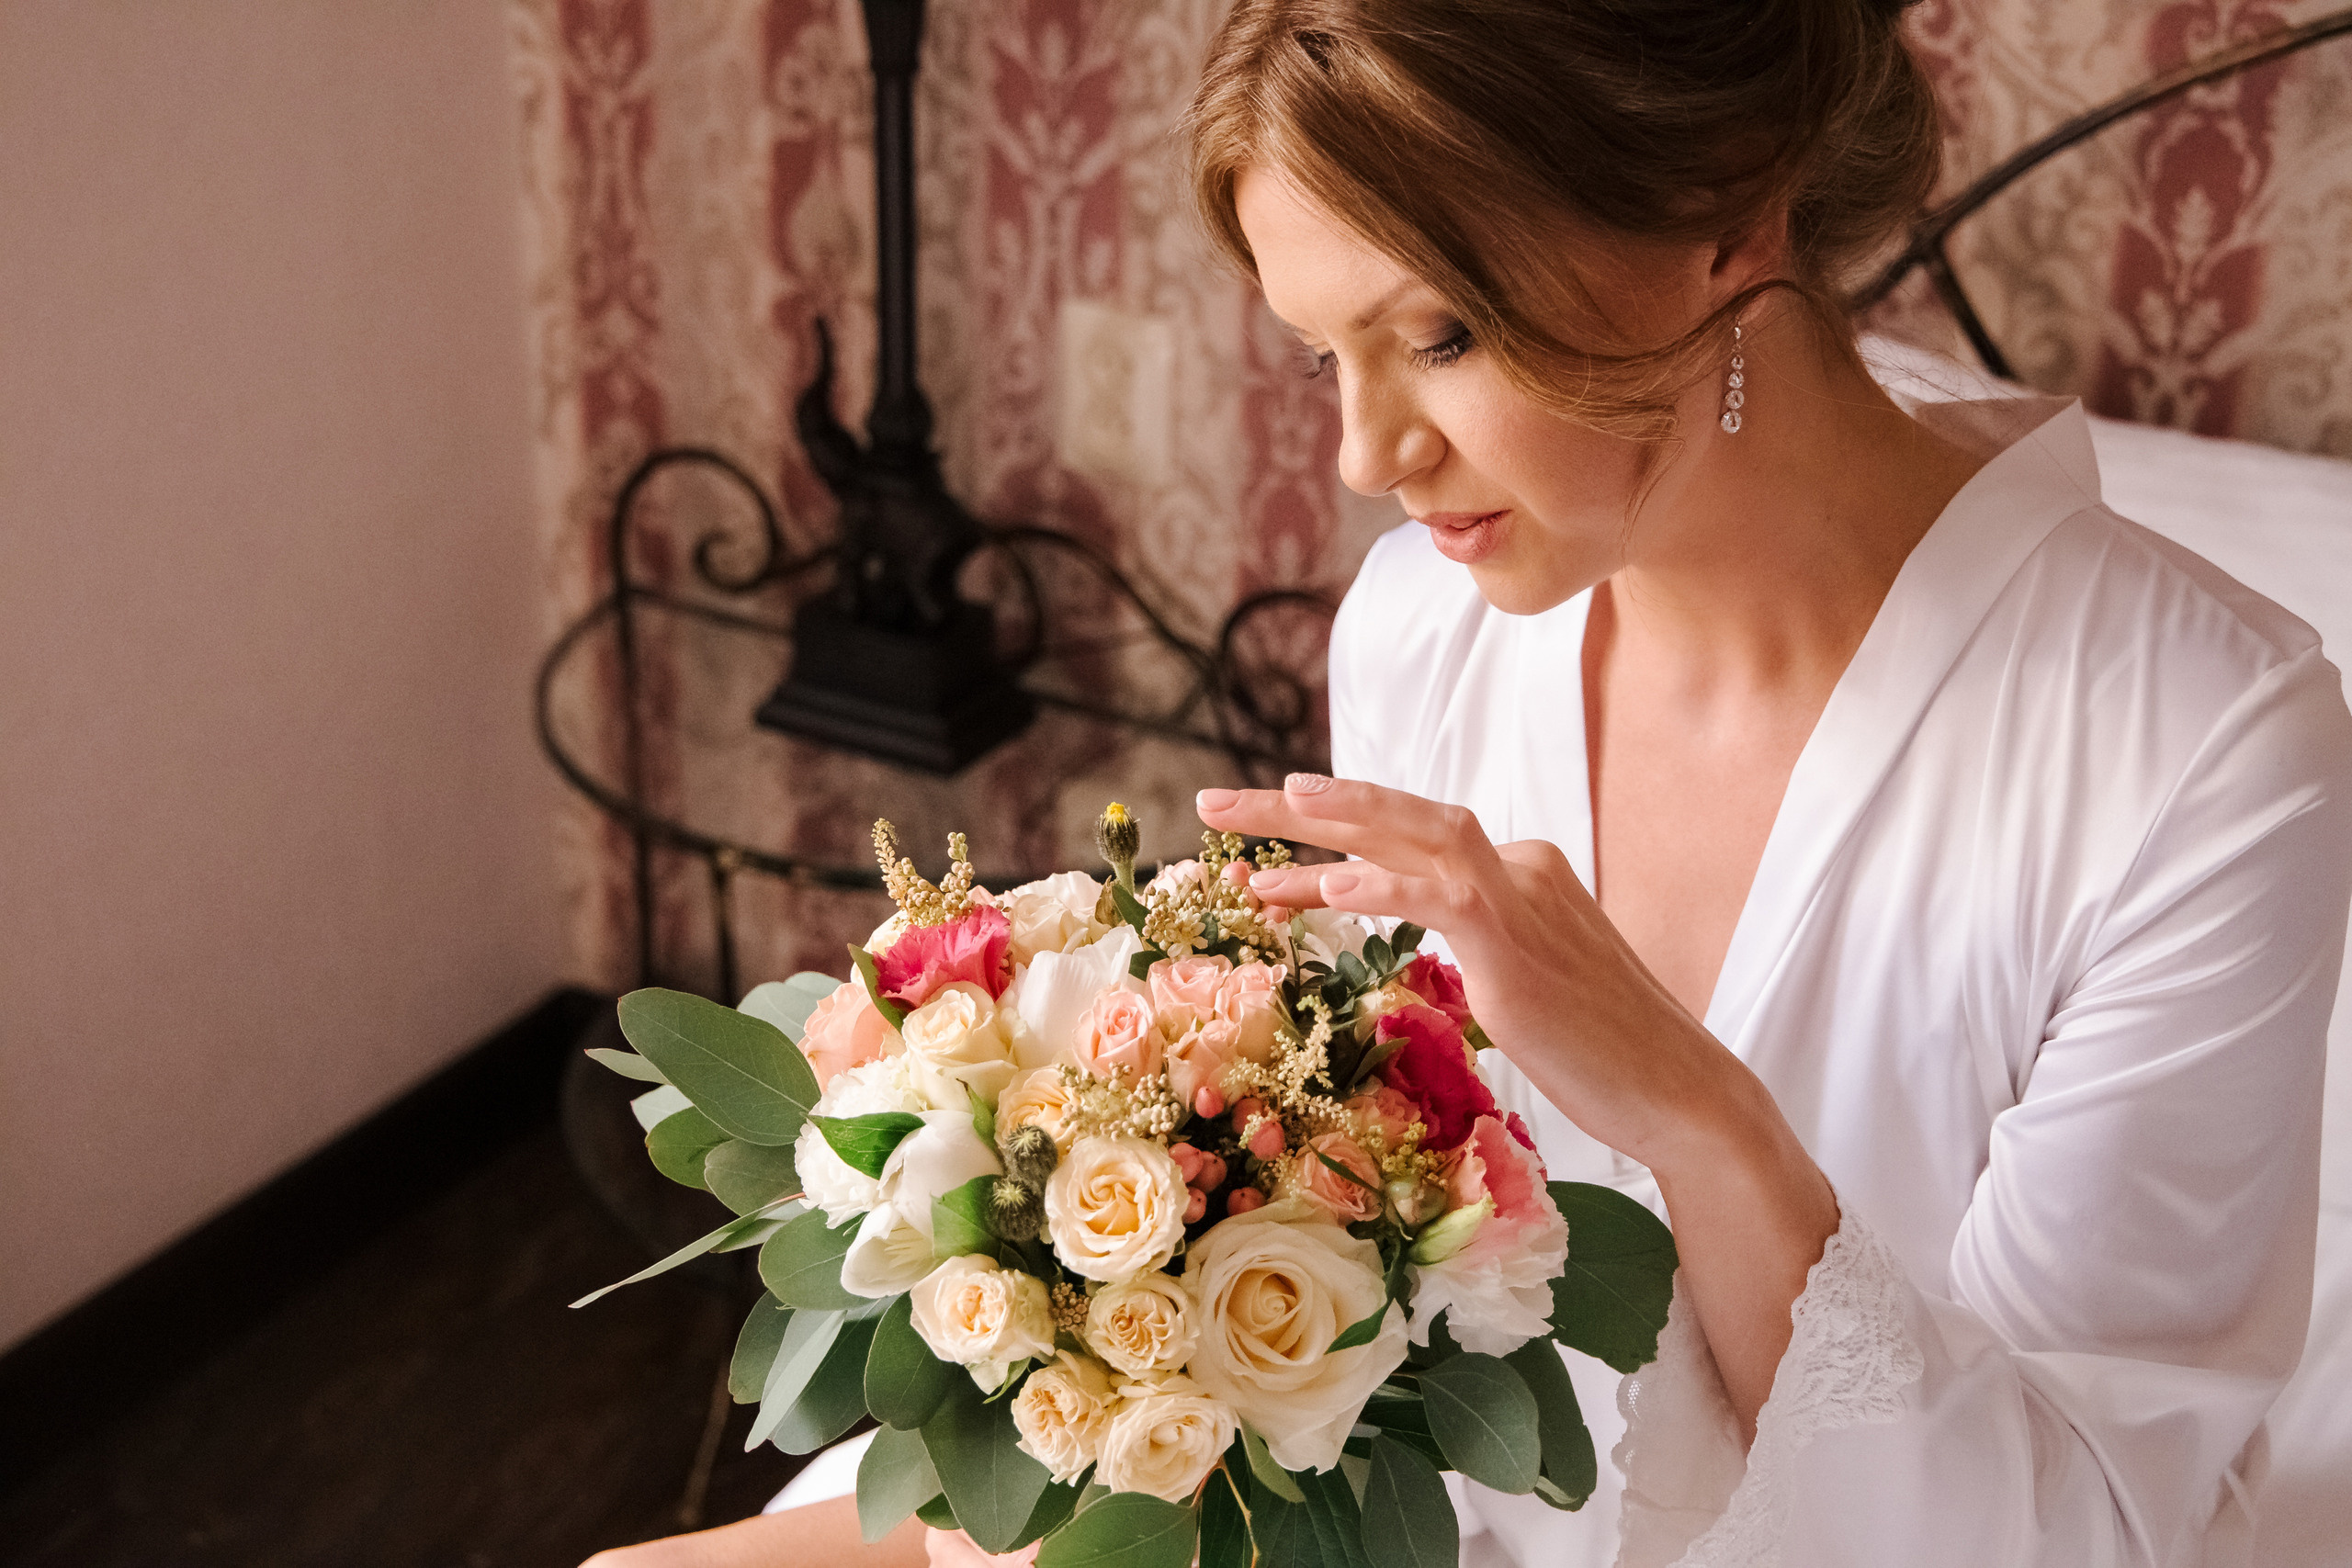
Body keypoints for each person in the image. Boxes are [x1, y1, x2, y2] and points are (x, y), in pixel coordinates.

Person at [586, 1, 2352, 1564]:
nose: (1366, 457)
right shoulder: (1427, 626)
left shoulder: (2205, 752)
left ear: (1732, 214)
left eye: (1442, 337)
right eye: (1319, 352)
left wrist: (1698, 1114)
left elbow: (2065, 1537)